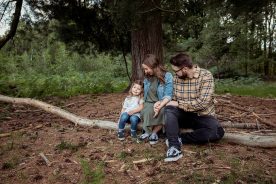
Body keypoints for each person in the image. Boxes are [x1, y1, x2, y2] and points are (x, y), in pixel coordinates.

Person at [164, 53, 225, 162]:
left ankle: (181, 139)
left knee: (217, 132)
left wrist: (178, 104)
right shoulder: (176, 79)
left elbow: (202, 103)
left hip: (202, 115)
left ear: (185, 69)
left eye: (176, 71)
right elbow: (173, 100)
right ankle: (174, 146)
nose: (175, 74)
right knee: (169, 110)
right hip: (183, 114)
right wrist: (169, 103)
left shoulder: (206, 76)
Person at [139, 54, 173, 144]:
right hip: (149, 102)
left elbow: (168, 95)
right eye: (144, 69)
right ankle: (147, 132)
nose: (145, 71)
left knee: (162, 112)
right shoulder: (147, 77)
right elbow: (145, 92)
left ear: (153, 66)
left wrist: (160, 105)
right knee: (146, 111)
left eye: (146, 69)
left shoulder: (167, 76)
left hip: (162, 101)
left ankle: (154, 133)